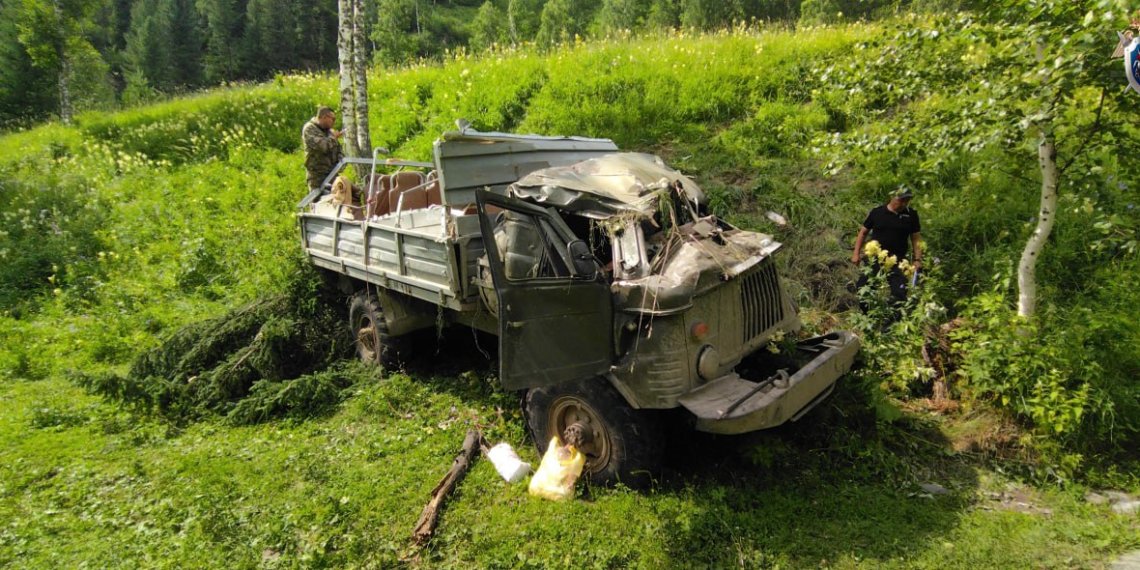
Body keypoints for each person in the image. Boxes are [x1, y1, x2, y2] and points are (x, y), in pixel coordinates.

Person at [851, 186, 923, 308]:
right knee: (863, 288)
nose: (904, 204)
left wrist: (917, 259)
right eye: (901, 200)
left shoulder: (911, 215)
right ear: (892, 197)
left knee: (900, 294)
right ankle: (868, 315)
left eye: (907, 200)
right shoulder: (877, 212)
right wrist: (856, 253)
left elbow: (916, 238)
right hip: (875, 258)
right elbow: (863, 232)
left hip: (898, 260)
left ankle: (892, 318)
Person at [302, 106, 344, 191]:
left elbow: (337, 149)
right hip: (317, 177)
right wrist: (334, 138)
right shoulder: (310, 129)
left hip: (332, 174)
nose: (334, 122)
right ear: (324, 117)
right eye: (333, 119)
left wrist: (341, 161)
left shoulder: (329, 132)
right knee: (319, 198)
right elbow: (323, 147)